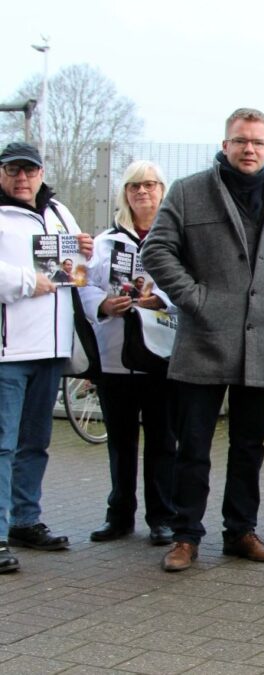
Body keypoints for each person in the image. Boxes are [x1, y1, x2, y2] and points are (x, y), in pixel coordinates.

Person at [142, 108, 264, 572]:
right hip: (203, 340)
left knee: (250, 445)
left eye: (257, 142)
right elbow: (156, 248)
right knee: (192, 445)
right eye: (240, 141)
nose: (249, 149)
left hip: (261, 341)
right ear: (225, 144)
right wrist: (195, 299)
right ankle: (185, 535)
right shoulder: (190, 192)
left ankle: (242, 531)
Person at [0, 142, 93, 572]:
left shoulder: (57, 210)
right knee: (3, 445)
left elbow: (74, 267)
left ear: (41, 173)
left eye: (29, 171)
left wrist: (83, 253)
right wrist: (26, 280)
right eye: (13, 170)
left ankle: (25, 519)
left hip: (51, 348)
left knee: (35, 442)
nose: (22, 178)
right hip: (9, 350)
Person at [81, 161, 178, 546]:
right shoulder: (105, 242)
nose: (142, 192)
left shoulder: (175, 240)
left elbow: (188, 283)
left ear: (161, 190)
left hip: (160, 355)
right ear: (125, 193)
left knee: (162, 440)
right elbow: (84, 285)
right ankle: (119, 516)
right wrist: (104, 304)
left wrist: (162, 300)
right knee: (120, 442)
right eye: (134, 186)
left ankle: (162, 518)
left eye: (150, 185)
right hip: (115, 358)